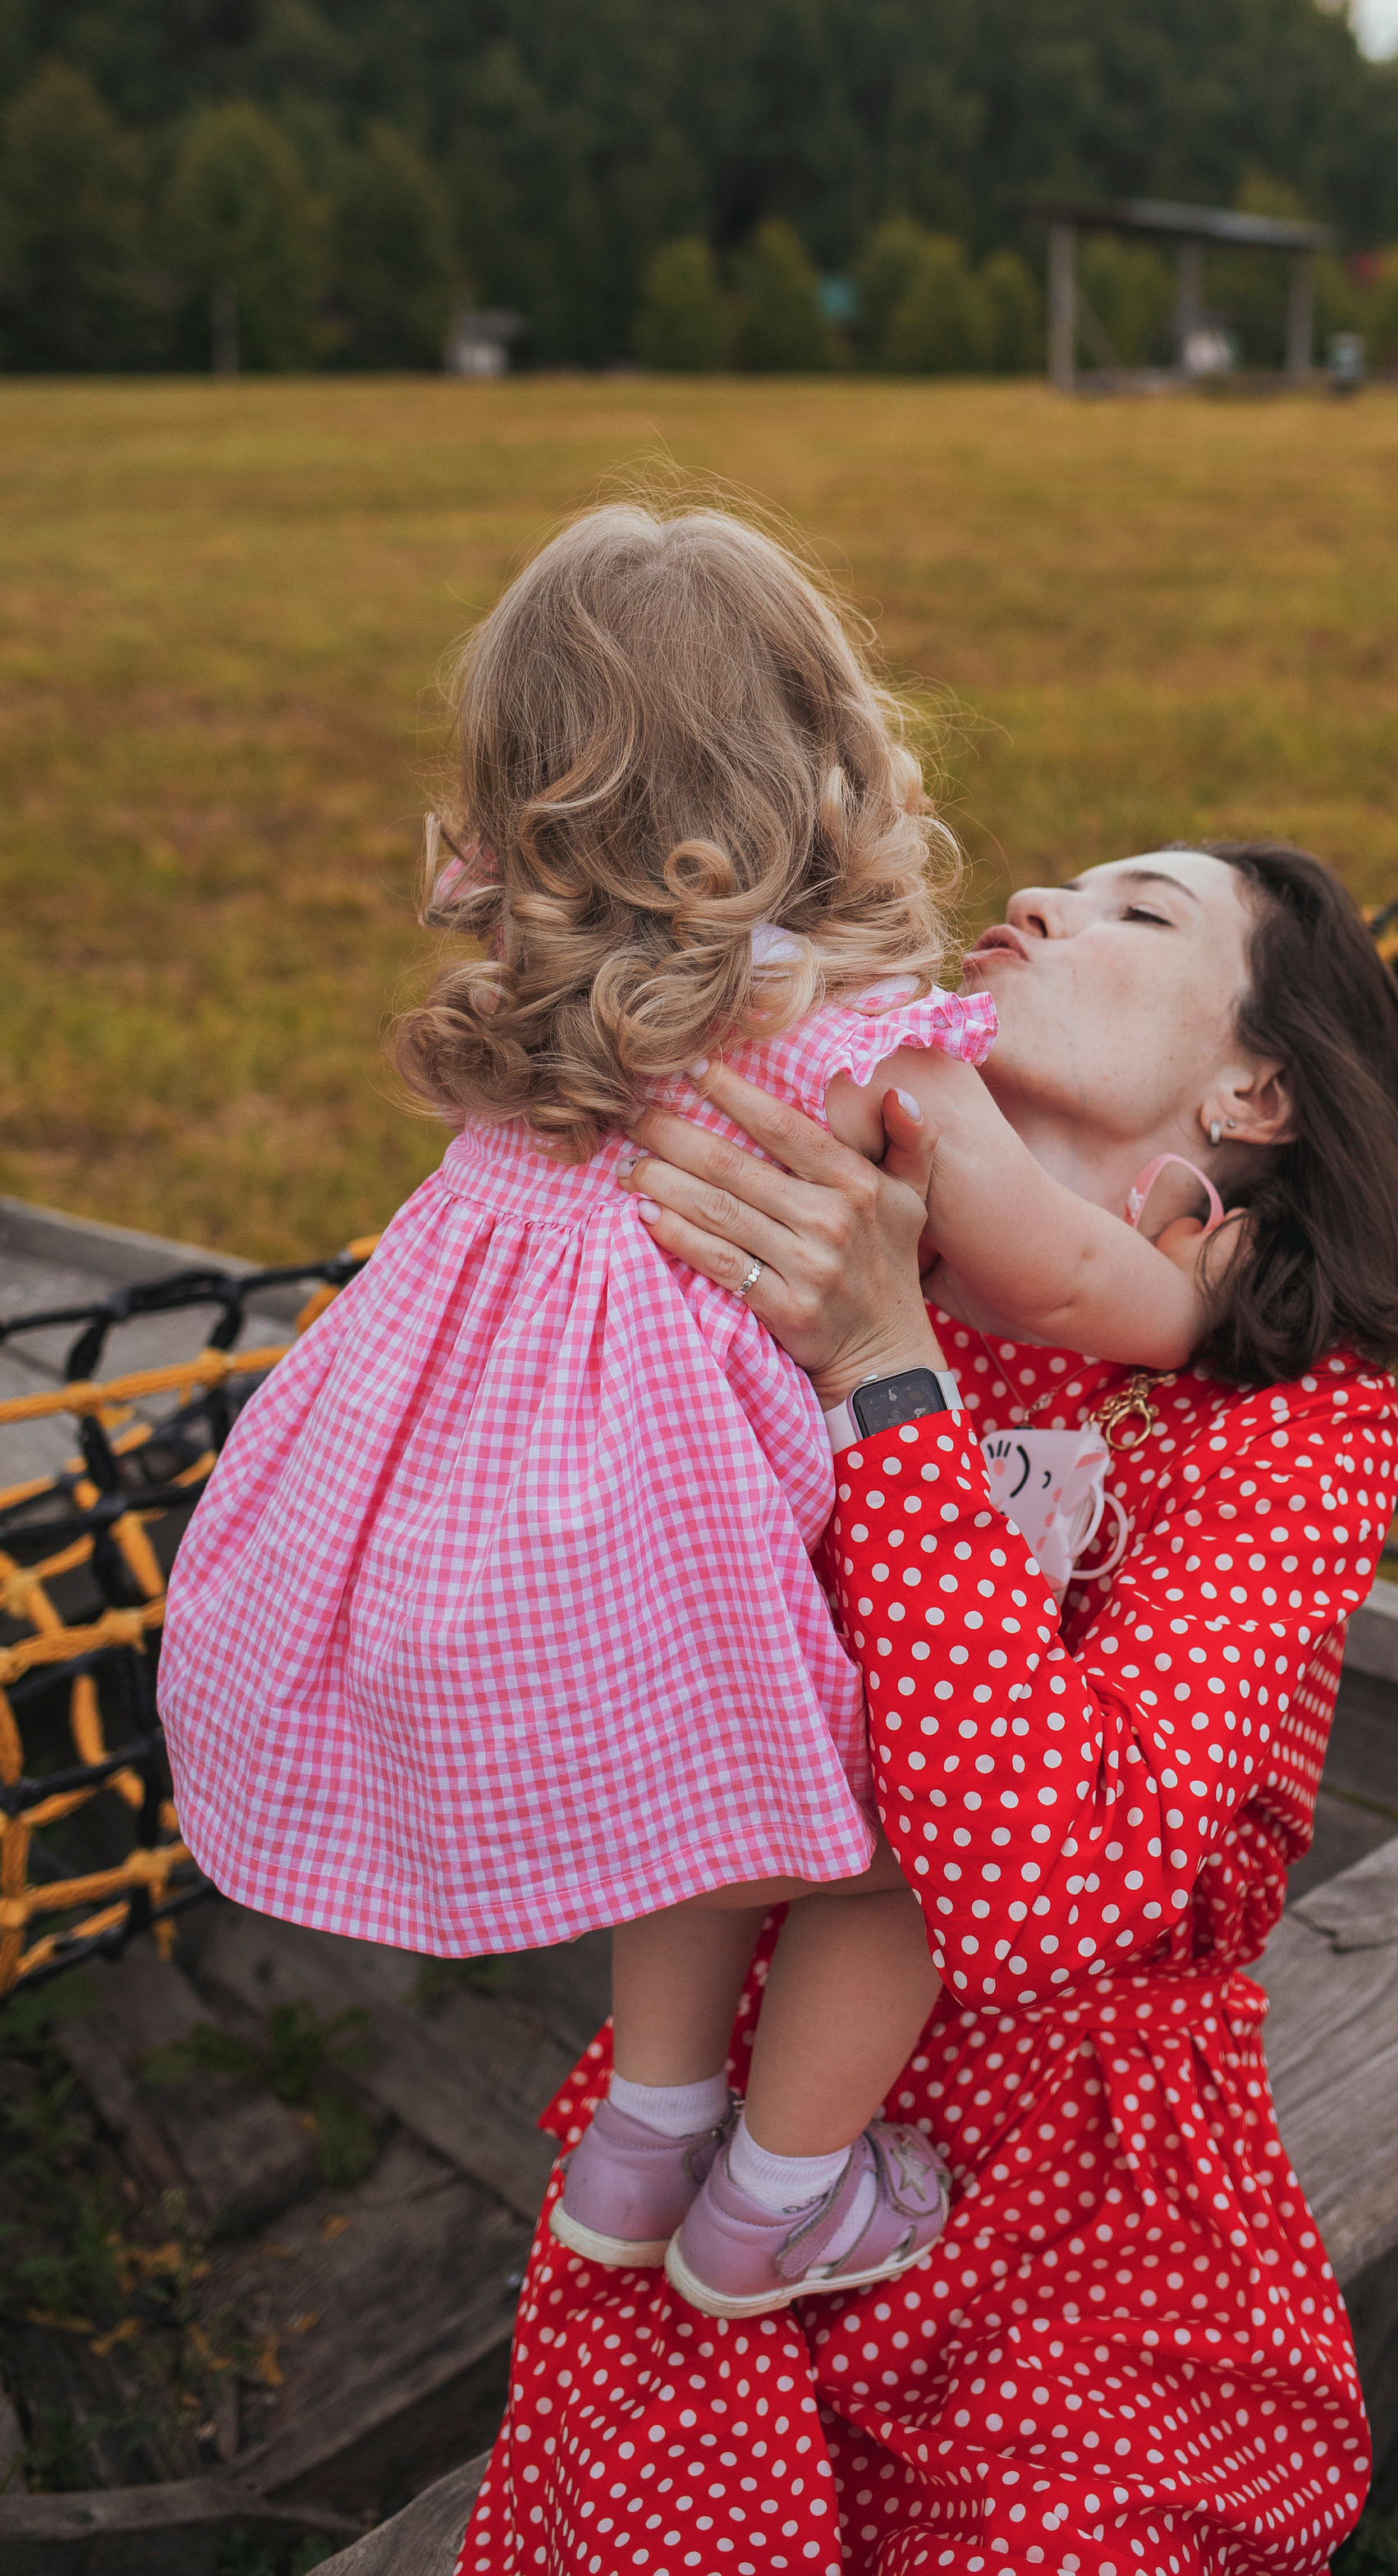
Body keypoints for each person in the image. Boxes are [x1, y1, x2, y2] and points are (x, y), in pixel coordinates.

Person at [158, 503, 1242, 2324]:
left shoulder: (543, 1017)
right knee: (899, 1816)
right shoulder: (848, 1032)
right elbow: (1051, 1280)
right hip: (674, 1538)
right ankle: (778, 2202)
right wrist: (1199, 1302)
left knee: (698, 1816)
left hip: (490, 1532)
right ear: (825, 761)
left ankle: (644, 2136)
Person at [461, 835, 1398, 2576]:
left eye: (1132, 910)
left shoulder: (1293, 1419)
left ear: (1259, 1089)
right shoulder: (838, 1220)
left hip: (1060, 2217)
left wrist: (882, 1373)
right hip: (712, 2116)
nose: (1038, 907)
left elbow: (1045, 1880)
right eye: (1054, 886)